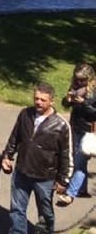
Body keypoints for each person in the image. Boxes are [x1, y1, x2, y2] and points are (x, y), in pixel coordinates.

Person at [1, 82, 72, 234]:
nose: (38, 102)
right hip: (22, 171)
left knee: (45, 213)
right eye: (36, 98)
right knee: (17, 209)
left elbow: (66, 154)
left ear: (52, 101)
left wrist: (63, 179)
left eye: (43, 100)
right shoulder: (25, 114)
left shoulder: (61, 125)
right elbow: (15, 137)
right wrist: (7, 156)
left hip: (45, 177)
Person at [57, 62, 96, 205]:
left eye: (82, 80)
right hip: (75, 127)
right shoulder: (75, 87)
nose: (79, 82)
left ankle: (70, 194)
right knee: (76, 159)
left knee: (80, 161)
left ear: (90, 78)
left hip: (89, 131)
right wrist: (67, 100)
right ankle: (81, 189)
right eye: (77, 79)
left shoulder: (94, 91)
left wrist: (85, 103)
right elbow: (66, 104)